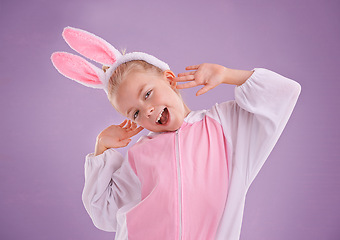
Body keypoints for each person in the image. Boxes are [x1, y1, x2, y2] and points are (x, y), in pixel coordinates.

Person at [51, 27, 301, 240]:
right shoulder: (139, 156)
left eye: (147, 94)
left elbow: (283, 92)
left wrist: (227, 75)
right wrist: (102, 149)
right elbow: (103, 212)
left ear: (170, 79)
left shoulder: (225, 126)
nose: (147, 111)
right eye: (135, 113)